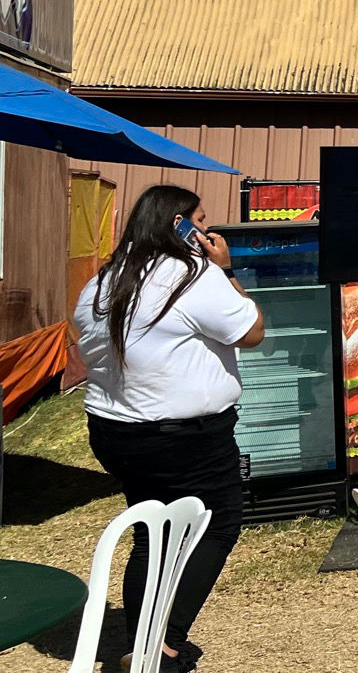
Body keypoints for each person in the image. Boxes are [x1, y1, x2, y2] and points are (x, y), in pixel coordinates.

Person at [73, 185, 266, 673]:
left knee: (151, 532)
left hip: (115, 432)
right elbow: (252, 331)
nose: (206, 229)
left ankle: (143, 646)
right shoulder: (193, 275)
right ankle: (164, 647)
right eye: (200, 220)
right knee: (217, 525)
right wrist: (225, 269)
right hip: (187, 437)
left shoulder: (102, 282)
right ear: (179, 225)